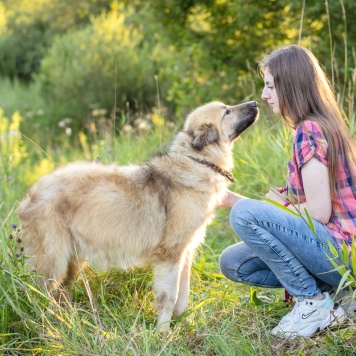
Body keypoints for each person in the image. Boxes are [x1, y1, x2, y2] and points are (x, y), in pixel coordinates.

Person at [219, 44, 356, 339]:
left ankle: (312, 302)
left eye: (270, 86)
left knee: (246, 215)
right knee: (234, 262)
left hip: (344, 255)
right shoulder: (320, 126)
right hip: (335, 253)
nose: (265, 95)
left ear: (291, 86)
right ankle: (338, 297)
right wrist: (232, 200)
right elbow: (293, 214)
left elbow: (318, 212)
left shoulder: (309, 130)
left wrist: (248, 210)